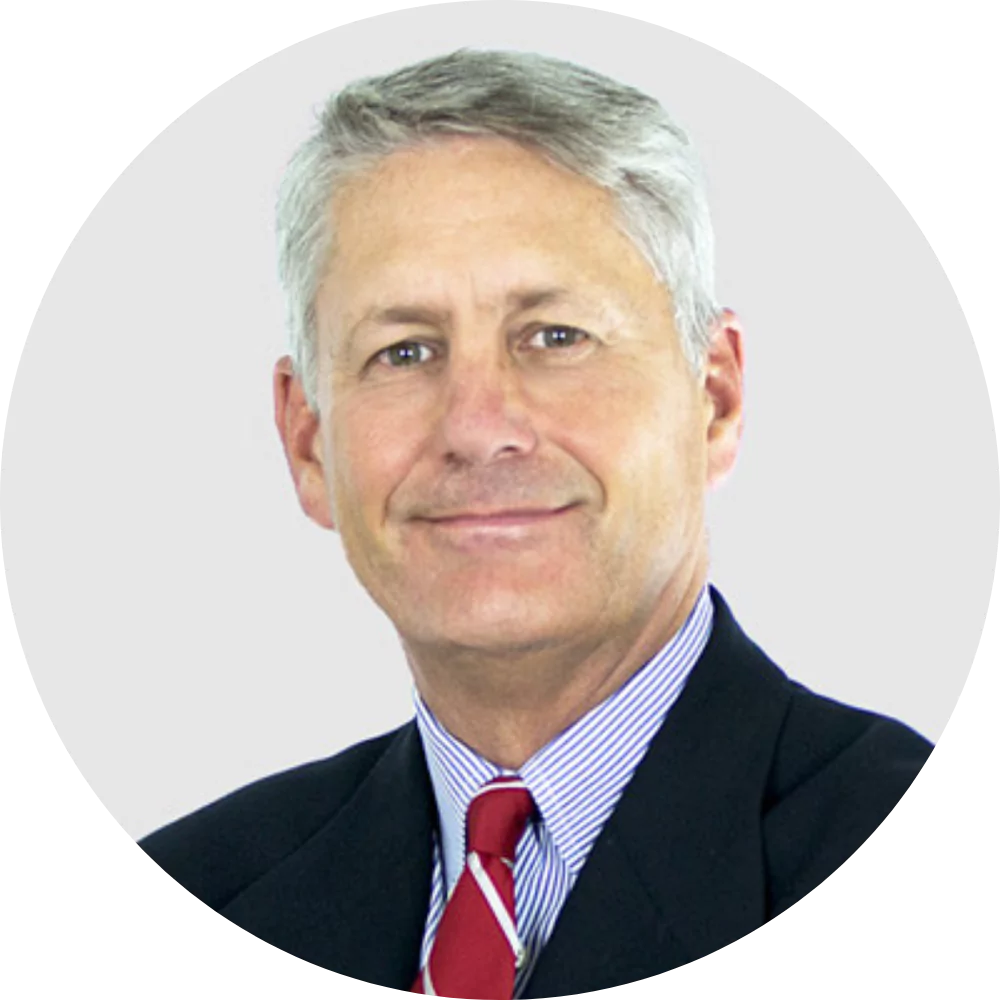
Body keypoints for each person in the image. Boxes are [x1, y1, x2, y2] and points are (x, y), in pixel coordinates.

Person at [136, 49, 934, 997]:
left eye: (555, 337)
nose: (478, 427)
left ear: (713, 398)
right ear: (308, 442)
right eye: (405, 351)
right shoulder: (208, 882)